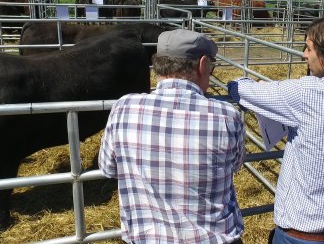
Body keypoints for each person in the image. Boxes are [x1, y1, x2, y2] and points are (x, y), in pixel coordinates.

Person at [228, 14, 324, 244]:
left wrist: (242, 84)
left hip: (301, 234)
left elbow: (240, 91)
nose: (304, 54)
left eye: (309, 48)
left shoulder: (307, 93)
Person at [99, 29, 246, 244]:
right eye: (212, 67)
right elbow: (235, 165)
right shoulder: (226, 115)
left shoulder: (123, 107)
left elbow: (108, 168)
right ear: (203, 64)